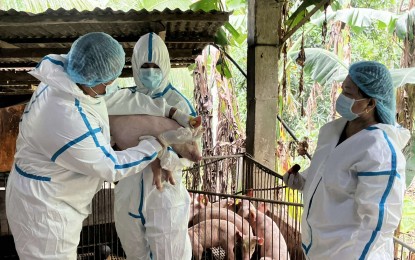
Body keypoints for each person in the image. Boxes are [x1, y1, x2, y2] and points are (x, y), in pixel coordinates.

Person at [5, 32, 197, 260]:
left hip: (159, 196)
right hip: (46, 211)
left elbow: (117, 99)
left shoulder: (66, 79)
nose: (109, 88)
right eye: (106, 84)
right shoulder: (68, 117)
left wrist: (171, 112)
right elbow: (111, 166)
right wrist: (158, 142)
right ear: (92, 81)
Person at [283, 61, 410, 260]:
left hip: (348, 253)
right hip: (318, 248)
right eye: (343, 90)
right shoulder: (334, 130)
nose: (341, 97)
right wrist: (303, 181)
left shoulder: (380, 150)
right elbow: (326, 170)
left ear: (370, 103)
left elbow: (378, 223)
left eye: (349, 94)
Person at [106, 32, 198, 260]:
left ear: (165, 64)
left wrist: (165, 158)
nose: (149, 71)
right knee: (135, 253)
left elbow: (193, 154)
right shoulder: (123, 98)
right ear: (134, 65)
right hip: (128, 191)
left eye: (155, 65)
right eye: (144, 65)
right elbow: (108, 139)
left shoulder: (179, 102)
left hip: (163, 193)